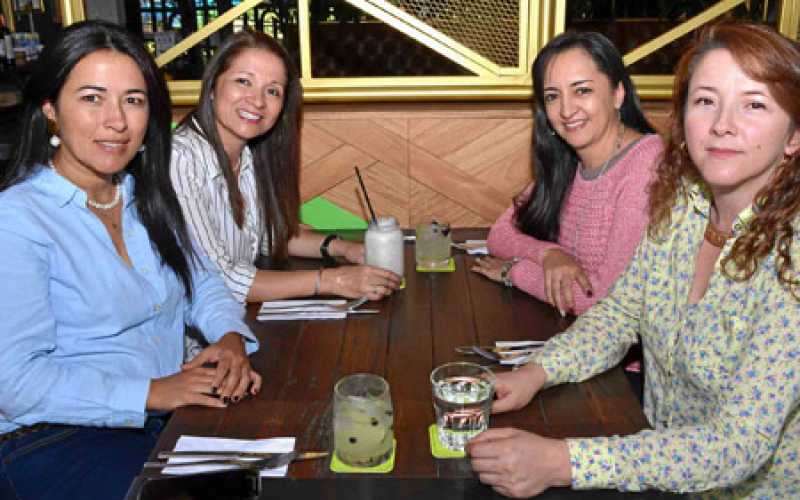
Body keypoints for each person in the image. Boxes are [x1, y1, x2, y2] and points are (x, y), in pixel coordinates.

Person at [467, 21, 800, 498]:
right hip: (657, 469)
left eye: (754, 104)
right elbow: (620, 313)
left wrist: (564, 461)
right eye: (706, 100)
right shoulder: (683, 204)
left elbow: (737, 444)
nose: (723, 123)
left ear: (794, 136)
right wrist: (535, 373)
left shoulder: (792, 260)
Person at [0, 21, 261, 500]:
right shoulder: (16, 219)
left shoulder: (146, 196)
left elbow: (202, 284)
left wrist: (228, 340)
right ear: (50, 110)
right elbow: (15, 383)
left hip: (157, 418)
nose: (116, 121)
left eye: (133, 100)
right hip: (52, 436)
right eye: (92, 98)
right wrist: (150, 392)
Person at [170, 30, 401, 306]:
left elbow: (269, 235)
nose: (257, 100)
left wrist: (346, 249)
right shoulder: (179, 159)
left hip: (232, 322)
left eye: (272, 91)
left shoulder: (249, 154)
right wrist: (333, 280)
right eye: (243, 81)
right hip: (184, 339)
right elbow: (220, 281)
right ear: (211, 87)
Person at [472, 31, 663, 317]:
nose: (566, 110)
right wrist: (550, 254)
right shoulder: (567, 160)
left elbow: (600, 299)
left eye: (582, 90)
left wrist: (515, 271)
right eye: (552, 96)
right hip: (568, 334)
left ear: (617, 93)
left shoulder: (649, 165)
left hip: (628, 359)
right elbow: (499, 234)